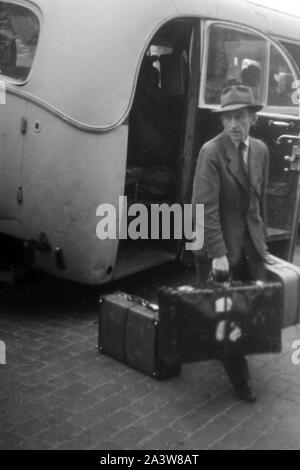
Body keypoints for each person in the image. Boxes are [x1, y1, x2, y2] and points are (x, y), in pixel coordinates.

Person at [192, 85, 269, 403]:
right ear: (222, 121)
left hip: (250, 244)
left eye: (240, 117)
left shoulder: (262, 150)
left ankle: (218, 343)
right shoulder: (211, 152)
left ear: (253, 118)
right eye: (227, 118)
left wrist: (262, 241)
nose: (234, 124)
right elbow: (205, 208)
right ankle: (241, 382)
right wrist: (218, 255)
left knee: (247, 308)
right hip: (219, 245)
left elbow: (257, 202)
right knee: (225, 313)